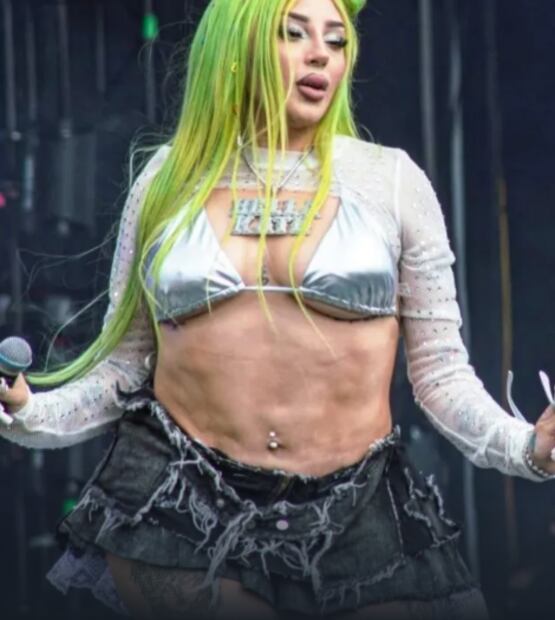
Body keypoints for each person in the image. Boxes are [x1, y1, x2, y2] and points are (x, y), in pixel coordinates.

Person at [1, 0, 554, 618]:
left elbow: (441, 374)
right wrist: (27, 411)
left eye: (336, 41)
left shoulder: (391, 182)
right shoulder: (168, 179)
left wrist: (526, 446)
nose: (320, 54)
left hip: (356, 509)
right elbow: (125, 368)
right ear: (237, 47)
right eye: (293, 34)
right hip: (180, 501)